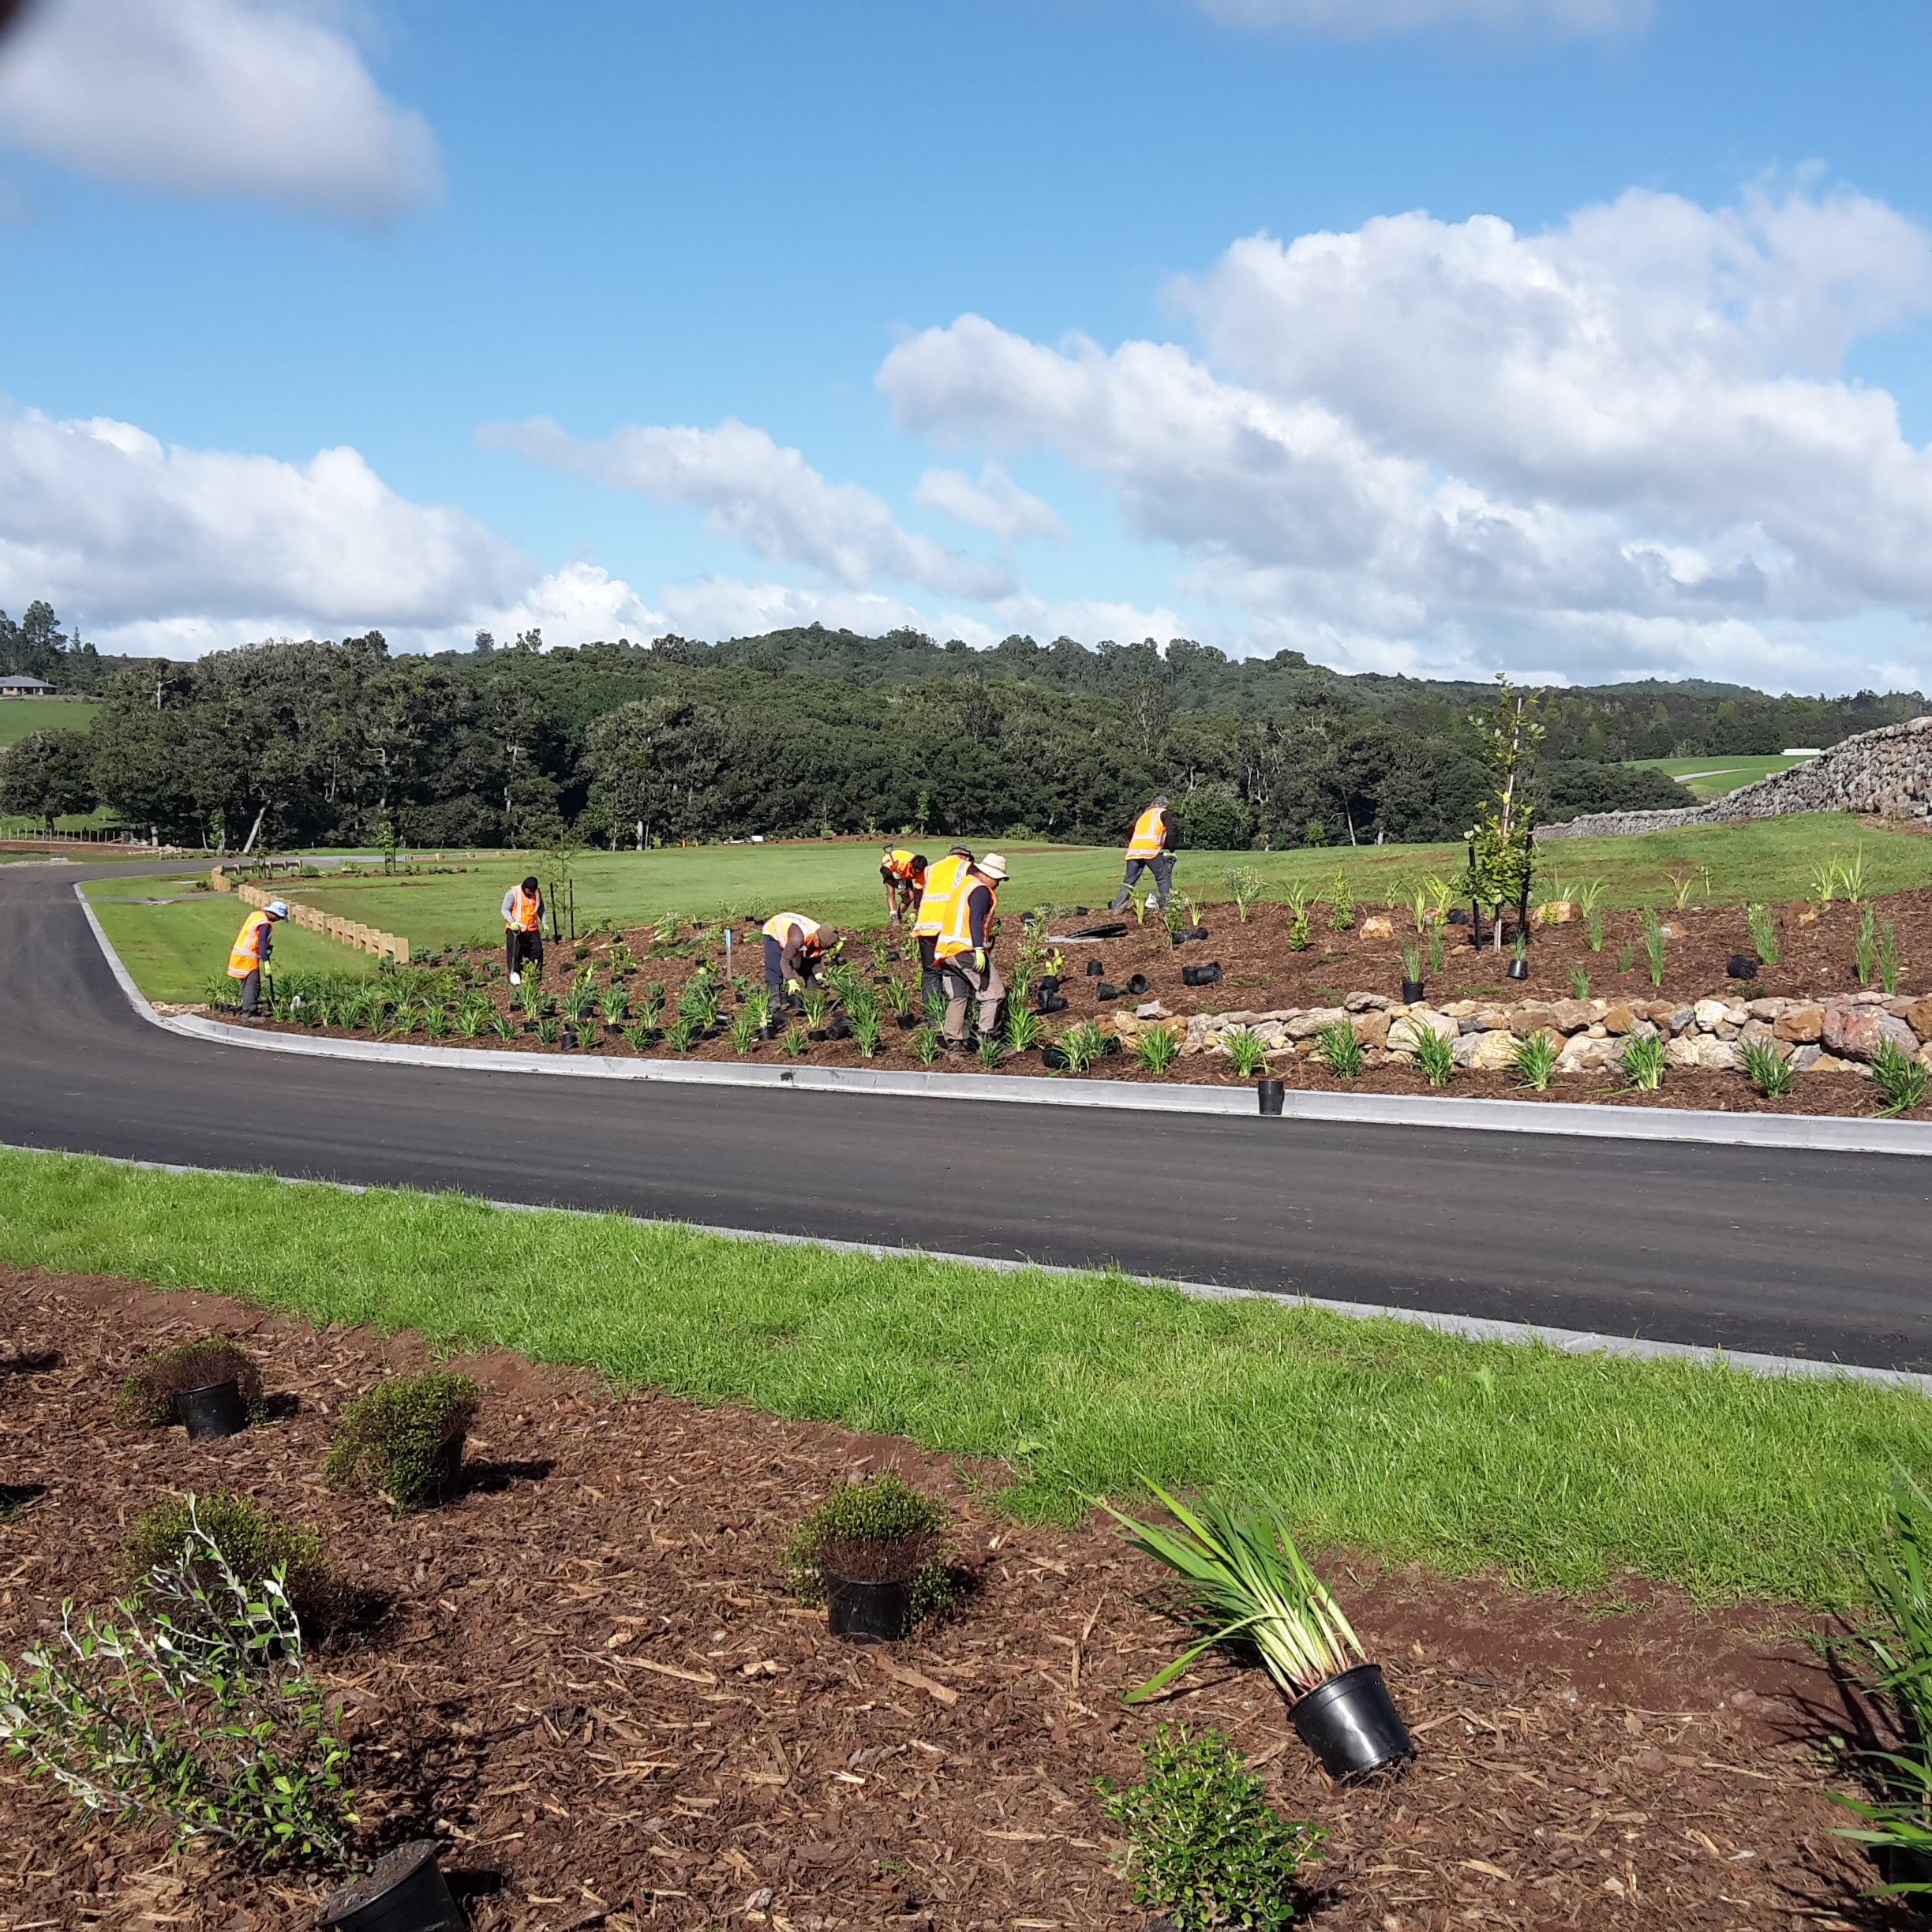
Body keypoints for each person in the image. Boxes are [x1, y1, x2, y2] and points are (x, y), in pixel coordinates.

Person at [936, 852, 1009, 1047]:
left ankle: (954, 1043)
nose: (998, 884)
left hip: (947, 952)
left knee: (960, 996)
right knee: (994, 994)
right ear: (987, 874)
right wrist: (978, 948)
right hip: (966, 949)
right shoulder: (981, 891)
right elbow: (974, 920)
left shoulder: (964, 887)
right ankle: (988, 1044)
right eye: (998, 879)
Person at [910, 844, 973, 1017]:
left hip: (925, 927)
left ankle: (933, 1018)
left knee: (930, 973)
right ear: (967, 857)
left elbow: (920, 892)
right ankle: (959, 1015)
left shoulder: (931, 869)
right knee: (955, 969)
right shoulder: (967, 868)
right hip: (948, 927)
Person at [1110, 795, 1177, 912]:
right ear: (1165, 805)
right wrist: (1171, 848)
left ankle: (1117, 908)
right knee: (1163, 877)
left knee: (1129, 881)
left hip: (1134, 851)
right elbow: (1170, 833)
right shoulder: (1164, 813)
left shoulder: (1144, 815)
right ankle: (1168, 907)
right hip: (1151, 850)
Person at [226, 899, 289, 1018]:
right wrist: (266, 962)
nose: (278, 920)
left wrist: (267, 946)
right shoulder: (264, 924)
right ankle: (249, 1013)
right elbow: (260, 943)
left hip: (240, 956)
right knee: (253, 985)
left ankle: (248, 1009)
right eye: (279, 918)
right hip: (247, 959)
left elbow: (254, 937)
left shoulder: (256, 916)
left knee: (247, 985)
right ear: (274, 914)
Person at [762, 912, 841, 1005]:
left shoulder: (823, 935)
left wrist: (819, 975)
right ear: (817, 937)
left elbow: (815, 957)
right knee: (775, 969)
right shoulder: (797, 938)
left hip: (798, 937)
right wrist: (791, 980)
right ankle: (773, 1004)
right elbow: (784, 961)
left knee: (807, 966)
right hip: (774, 931)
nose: (819, 948)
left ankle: (812, 1000)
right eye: (819, 945)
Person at [502, 874, 545, 985]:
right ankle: (515, 978)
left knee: (537, 952)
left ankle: (534, 976)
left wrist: (544, 922)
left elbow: (541, 908)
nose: (531, 894)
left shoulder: (537, 892)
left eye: (532, 892)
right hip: (516, 930)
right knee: (515, 955)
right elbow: (505, 909)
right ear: (525, 888)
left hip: (532, 929)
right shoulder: (513, 893)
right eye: (529, 892)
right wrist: (512, 922)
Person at [879, 846, 928, 924]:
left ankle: (899, 917)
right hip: (890, 869)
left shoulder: (921, 872)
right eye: (915, 872)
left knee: (910, 896)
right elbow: (883, 870)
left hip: (904, 873)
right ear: (912, 866)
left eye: (918, 873)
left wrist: (914, 911)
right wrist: (897, 882)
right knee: (891, 890)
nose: (916, 874)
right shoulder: (902, 862)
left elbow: (918, 891)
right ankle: (894, 918)